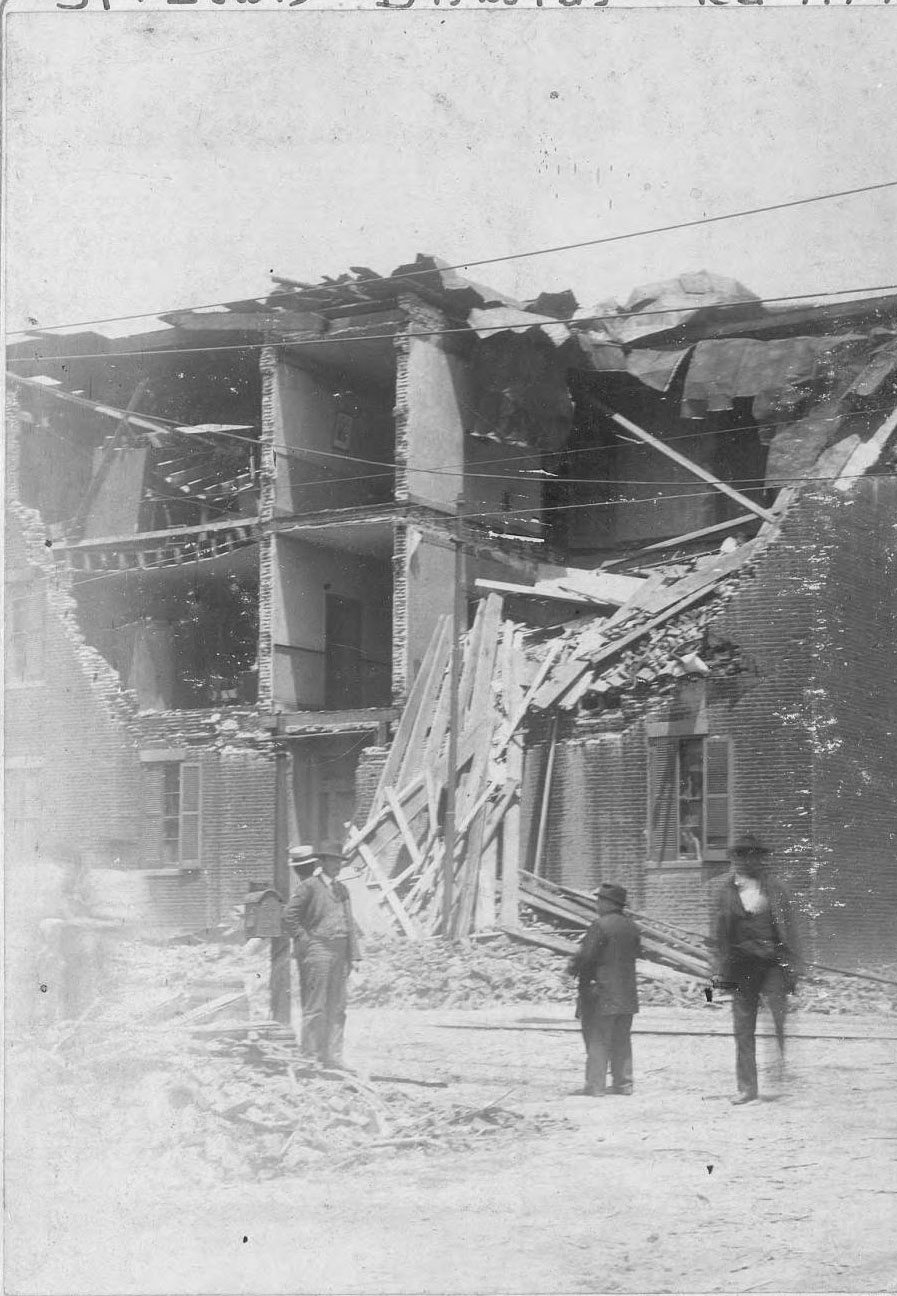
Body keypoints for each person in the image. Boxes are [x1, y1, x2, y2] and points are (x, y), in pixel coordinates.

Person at [710, 832, 803, 1105]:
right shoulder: (725, 892)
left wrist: (794, 966)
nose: (746, 861)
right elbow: (717, 936)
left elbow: (791, 930)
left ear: (761, 859)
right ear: (735, 859)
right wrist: (717, 973)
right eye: (741, 855)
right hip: (740, 966)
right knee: (743, 1027)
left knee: (778, 1017)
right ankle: (747, 1088)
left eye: (753, 855)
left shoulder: (776, 889)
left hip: (772, 962)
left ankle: (780, 1073)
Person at [281, 842, 361, 1070]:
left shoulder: (343, 890)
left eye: (339, 862)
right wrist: (305, 940)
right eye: (332, 861)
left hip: (340, 953)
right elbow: (289, 917)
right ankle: (309, 1056)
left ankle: (333, 1056)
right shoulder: (309, 887)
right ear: (322, 863)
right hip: (319, 951)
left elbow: (349, 923)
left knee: (338, 1007)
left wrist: (354, 955)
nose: (336, 866)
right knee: (315, 1006)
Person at [568, 882, 643, 1097]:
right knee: (622, 1039)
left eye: (600, 900)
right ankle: (624, 1084)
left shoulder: (600, 926)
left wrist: (572, 969)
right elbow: (636, 953)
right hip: (626, 993)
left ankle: (595, 1086)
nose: (597, 904)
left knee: (597, 1038)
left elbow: (586, 957)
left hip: (600, 993)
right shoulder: (632, 926)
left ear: (609, 903)